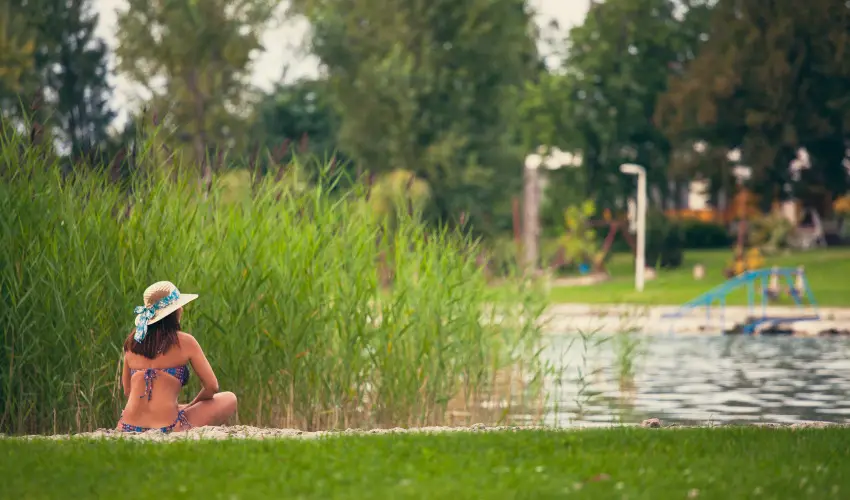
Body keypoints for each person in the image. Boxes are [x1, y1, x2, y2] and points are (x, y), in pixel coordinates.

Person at [117, 281, 237, 433]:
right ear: (174, 312)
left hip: (128, 426)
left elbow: (128, 391)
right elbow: (212, 386)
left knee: (177, 406)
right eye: (179, 306)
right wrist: (192, 404)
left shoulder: (132, 342)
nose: (182, 309)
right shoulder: (185, 341)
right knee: (229, 398)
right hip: (168, 426)